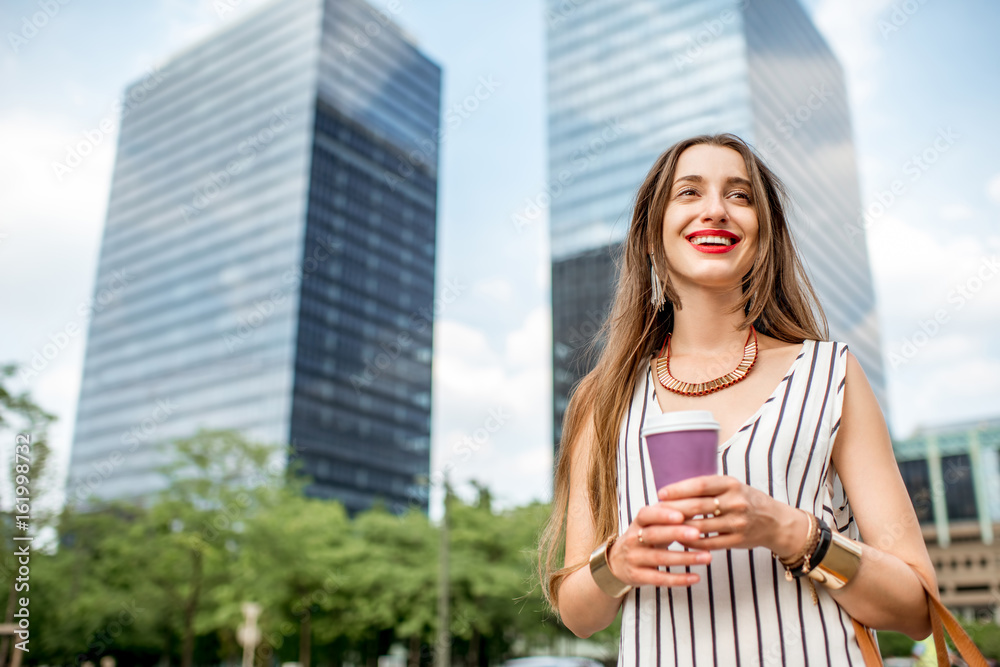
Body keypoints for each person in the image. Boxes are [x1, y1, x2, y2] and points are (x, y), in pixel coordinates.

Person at [537, 134, 937, 665]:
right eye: (689, 192)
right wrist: (619, 560)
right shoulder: (601, 399)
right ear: (652, 238)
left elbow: (917, 608)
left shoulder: (831, 373)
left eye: (740, 195)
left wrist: (789, 531)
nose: (716, 210)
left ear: (763, 237)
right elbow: (578, 615)